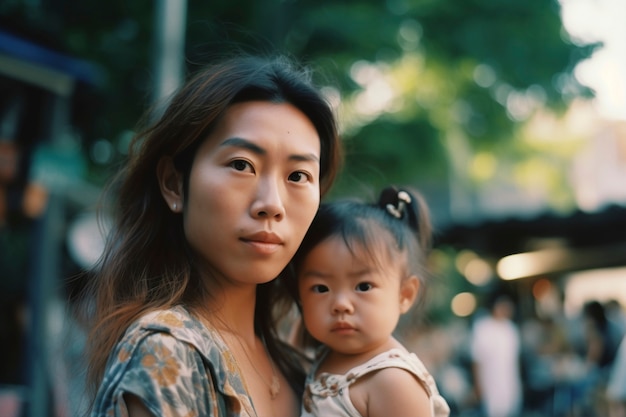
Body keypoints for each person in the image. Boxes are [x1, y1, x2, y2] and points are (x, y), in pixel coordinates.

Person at [74, 53, 343, 417]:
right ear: (174, 184)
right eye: (241, 165)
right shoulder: (167, 351)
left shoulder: (305, 368)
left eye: (298, 176)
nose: (272, 204)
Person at [287, 186, 450, 417]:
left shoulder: (393, 381)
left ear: (404, 295)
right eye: (321, 288)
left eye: (363, 286)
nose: (341, 304)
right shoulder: (323, 355)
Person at [469, 290, 523, 417]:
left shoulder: (511, 329)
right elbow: (476, 360)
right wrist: (478, 386)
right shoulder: (482, 328)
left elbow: (515, 360)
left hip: (510, 382)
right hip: (490, 382)